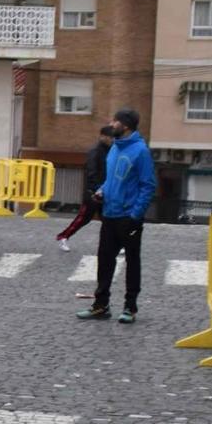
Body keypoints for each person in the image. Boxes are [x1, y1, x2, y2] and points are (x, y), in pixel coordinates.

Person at [78, 107, 156, 324]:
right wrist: (102, 191)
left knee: (132, 262)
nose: (111, 123)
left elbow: (148, 185)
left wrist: (136, 214)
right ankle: (101, 305)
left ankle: (130, 307)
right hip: (109, 214)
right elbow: (111, 180)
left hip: (128, 217)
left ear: (126, 125)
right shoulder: (114, 148)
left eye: (115, 121)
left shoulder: (141, 151)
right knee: (104, 261)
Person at [56, 126, 113, 250]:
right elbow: (91, 172)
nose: (112, 140)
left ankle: (115, 244)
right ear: (103, 136)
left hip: (106, 192)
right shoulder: (95, 151)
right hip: (93, 193)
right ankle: (63, 237)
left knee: (109, 220)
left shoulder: (111, 150)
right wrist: (97, 189)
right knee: (83, 219)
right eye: (110, 137)